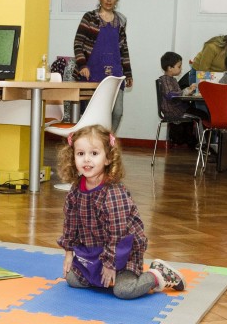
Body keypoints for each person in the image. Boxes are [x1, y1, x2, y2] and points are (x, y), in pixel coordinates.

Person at [56, 125, 185, 299]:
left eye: (94, 153)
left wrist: (110, 264)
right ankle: (102, 276)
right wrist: (69, 253)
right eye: (80, 154)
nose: (86, 159)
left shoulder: (113, 192)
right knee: (72, 279)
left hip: (122, 252)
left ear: (108, 158)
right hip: (94, 250)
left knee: (123, 291)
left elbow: (117, 234)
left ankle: (158, 274)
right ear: (73, 157)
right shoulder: (75, 190)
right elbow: (70, 223)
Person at [73, 0, 133, 132]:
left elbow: (123, 49)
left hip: (115, 74)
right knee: (91, 115)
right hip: (92, 73)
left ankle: (107, 141)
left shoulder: (121, 21)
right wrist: (82, 65)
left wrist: (128, 73)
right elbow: (78, 43)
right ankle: (91, 142)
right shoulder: (89, 17)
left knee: (117, 113)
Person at [158, 52, 208, 148]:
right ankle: (203, 144)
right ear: (170, 68)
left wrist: (188, 90)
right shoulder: (166, 80)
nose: (181, 69)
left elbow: (177, 93)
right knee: (202, 116)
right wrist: (187, 91)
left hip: (178, 108)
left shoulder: (172, 80)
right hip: (175, 111)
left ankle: (200, 142)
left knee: (200, 113)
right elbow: (171, 95)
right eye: (179, 66)